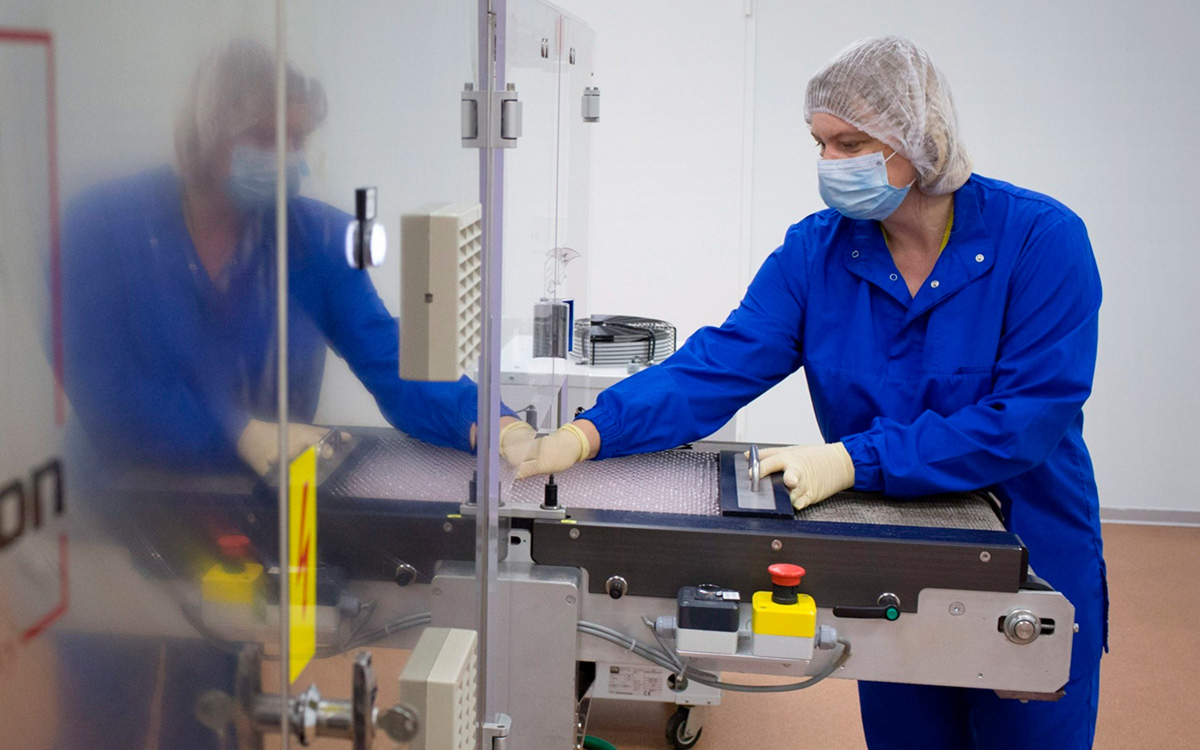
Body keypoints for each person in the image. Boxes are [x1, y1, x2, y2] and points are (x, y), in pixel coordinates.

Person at [517, 36, 1105, 748]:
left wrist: (855, 460)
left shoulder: (1041, 240)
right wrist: (590, 431)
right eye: (819, 144)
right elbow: (719, 364)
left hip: (1033, 549)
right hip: (891, 556)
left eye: (849, 144)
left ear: (921, 139)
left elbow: (1026, 420)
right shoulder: (818, 251)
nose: (829, 163)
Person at [62, 38, 529, 480]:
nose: (287, 157)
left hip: (272, 501)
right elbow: (100, 382)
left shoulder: (318, 239)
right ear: (205, 135)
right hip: (124, 501)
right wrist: (236, 431)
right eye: (265, 138)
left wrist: (494, 425)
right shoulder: (101, 227)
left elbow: (388, 357)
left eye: (298, 138)